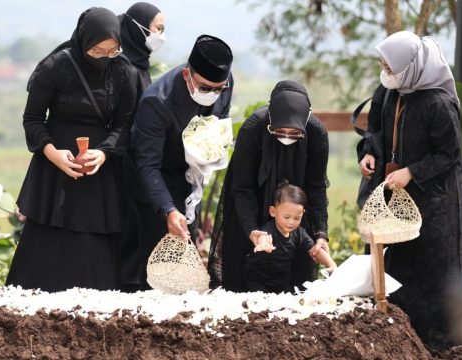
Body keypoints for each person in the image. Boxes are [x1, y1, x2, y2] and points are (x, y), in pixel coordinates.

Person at [6, 7, 137, 292]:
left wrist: (103, 153)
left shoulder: (122, 70)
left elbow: (125, 124)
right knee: (46, 246)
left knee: (93, 251)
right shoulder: (57, 67)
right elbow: (32, 120)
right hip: (55, 169)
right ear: (83, 41)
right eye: (97, 51)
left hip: (98, 172)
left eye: (111, 51)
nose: (104, 58)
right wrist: (52, 152)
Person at [358, 30, 462, 351]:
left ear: (412, 66)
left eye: (390, 67)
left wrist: (412, 172)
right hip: (396, 199)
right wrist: (370, 154)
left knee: (433, 275)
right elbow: (375, 128)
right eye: (383, 65)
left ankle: (438, 345)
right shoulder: (391, 91)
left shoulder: (439, 103)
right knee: (398, 268)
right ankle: (399, 340)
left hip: (434, 205)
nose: (385, 72)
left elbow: (450, 155)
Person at [130, 34, 234, 289]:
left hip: (190, 178)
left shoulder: (225, 83)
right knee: (156, 262)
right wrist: (168, 209)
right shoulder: (157, 102)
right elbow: (147, 164)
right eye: (205, 88)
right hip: (156, 181)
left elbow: (220, 118)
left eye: (218, 89)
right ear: (187, 75)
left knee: (185, 256)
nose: (213, 94)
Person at [208, 80, 331, 292]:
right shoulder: (253, 128)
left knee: (296, 276)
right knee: (244, 273)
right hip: (251, 200)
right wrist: (253, 230)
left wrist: (320, 233)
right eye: (279, 131)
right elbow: (242, 188)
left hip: (293, 204)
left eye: (295, 134)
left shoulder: (317, 133)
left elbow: (316, 185)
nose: (286, 137)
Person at [115, 2, 165, 292]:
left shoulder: (140, 62)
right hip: (124, 162)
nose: (160, 35)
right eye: (157, 28)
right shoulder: (125, 67)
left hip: (139, 158)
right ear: (138, 28)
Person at [244, 181, 337, 293]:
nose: (291, 222)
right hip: (259, 283)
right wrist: (263, 244)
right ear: (273, 211)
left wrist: (331, 264)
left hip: (282, 283)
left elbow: (315, 250)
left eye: (297, 218)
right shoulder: (268, 231)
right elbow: (262, 238)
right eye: (286, 217)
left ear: (303, 213)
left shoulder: (299, 233)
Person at [118, 2, 165, 99]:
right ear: (139, 26)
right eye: (158, 28)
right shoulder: (120, 66)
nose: (161, 34)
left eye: (162, 30)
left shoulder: (141, 64)